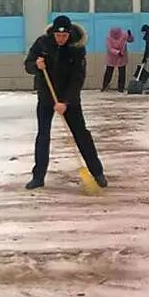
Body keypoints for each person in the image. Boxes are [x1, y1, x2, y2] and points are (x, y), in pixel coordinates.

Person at [23, 15, 108, 190]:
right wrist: (35, 64)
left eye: (64, 36)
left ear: (69, 34)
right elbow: (28, 64)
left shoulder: (76, 48)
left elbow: (78, 78)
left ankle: (97, 173)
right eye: (58, 35)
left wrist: (65, 102)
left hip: (70, 99)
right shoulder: (42, 43)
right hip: (46, 97)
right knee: (43, 135)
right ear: (53, 33)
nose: (61, 39)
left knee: (81, 134)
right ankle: (38, 177)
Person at [101, 26, 134, 93]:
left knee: (122, 73)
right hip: (111, 57)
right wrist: (117, 52)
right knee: (108, 72)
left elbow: (130, 40)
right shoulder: (109, 38)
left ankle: (121, 88)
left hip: (122, 57)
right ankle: (104, 87)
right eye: (114, 34)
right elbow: (110, 48)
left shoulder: (124, 35)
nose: (116, 35)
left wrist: (130, 36)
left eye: (117, 34)